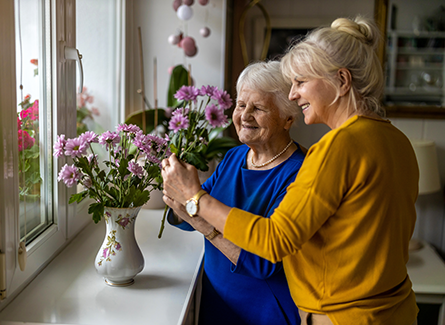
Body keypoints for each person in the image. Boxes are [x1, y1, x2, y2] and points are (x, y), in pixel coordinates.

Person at [161, 16, 419, 325]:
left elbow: (272, 242)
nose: (295, 94)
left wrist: (196, 199)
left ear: (341, 81)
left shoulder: (336, 148)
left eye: (301, 81)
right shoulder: (397, 140)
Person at [166, 60, 305, 325]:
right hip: (217, 302)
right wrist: (175, 188)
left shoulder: (299, 173)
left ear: (288, 118)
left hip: (264, 311)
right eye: (241, 105)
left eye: (259, 108)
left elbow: (263, 262)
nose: (244, 115)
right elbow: (191, 210)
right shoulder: (234, 157)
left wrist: (200, 218)